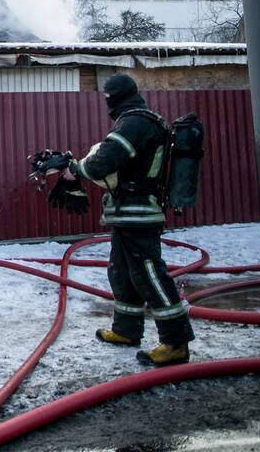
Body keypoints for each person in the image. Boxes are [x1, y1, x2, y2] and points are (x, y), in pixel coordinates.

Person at [53, 73, 195, 366]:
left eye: (108, 97)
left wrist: (75, 170)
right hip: (127, 212)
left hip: (138, 212)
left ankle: (175, 341)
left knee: (148, 274)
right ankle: (126, 330)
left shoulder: (134, 122)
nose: (107, 103)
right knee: (122, 272)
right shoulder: (137, 120)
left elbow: (104, 161)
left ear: (117, 96)